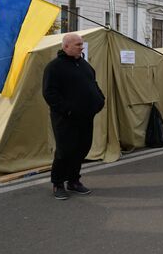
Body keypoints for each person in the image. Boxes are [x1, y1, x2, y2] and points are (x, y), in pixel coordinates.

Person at [43, 33, 105, 200]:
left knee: (82, 149)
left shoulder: (84, 65)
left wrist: (100, 100)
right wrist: (68, 110)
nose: (81, 46)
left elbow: (94, 84)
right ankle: (58, 183)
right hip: (65, 119)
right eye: (78, 44)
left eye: (82, 44)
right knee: (65, 151)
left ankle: (74, 181)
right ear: (66, 47)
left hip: (86, 117)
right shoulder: (54, 67)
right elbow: (50, 93)